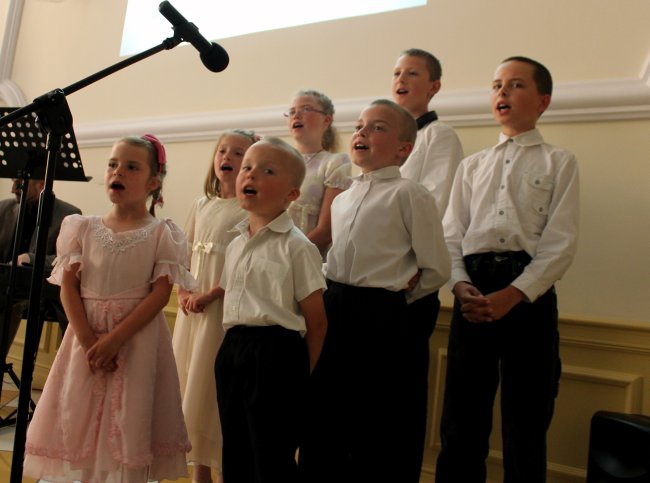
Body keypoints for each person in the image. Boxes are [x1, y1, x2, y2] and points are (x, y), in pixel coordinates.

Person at [435, 56, 580, 483]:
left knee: (527, 418)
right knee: (462, 417)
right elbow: (450, 235)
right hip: (473, 294)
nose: (501, 92)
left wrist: (513, 294)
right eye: (496, 85)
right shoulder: (472, 166)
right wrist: (460, 286)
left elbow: (561, 244)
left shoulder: (560, 162)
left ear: (542, 101)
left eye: (515, 85)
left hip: (527, 295)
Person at [23, 134, 196, 482]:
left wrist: (114, 339)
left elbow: (159, 296)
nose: (119, 172)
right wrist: (89, 340)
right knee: (80, 412)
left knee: (128, 415)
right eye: (113, 164)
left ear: (152, 181)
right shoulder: (81, 228)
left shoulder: (163, 233)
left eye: (132, 167)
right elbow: (68, 287)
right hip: (85, 338)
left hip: (136, 341)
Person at [299, 99, 450, 483]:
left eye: (378, 127)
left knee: (380, 419)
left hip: (385, 315)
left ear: (404, 148)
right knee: (330, 412)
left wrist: (398, 302)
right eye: (361, 125)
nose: (363, 132)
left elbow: (435, 268)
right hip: (337, 307)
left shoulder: (409, 194)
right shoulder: (345, 197)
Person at [214, 137, 328, 483]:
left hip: (277, 354)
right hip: (233, 347)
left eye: (267, 171)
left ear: (292, 194)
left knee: (270, 454)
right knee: (235, 448)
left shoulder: (297, 247)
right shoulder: (235, 244)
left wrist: (299, 374)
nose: (251, 175)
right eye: (247, 167)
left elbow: (317, 323)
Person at [392, 47, 465, 472]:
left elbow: (435, 207)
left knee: (402, 394)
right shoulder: (384, 139)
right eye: (397, 72)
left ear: (433, 87)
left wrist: (406, 265)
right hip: (375, 285)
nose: (401, 78)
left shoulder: (440, 137)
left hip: (410, 282)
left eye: (412, 73)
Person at [172, 129, 257, 483]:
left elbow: (242, 265)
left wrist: (210, 294)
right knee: (188, 384)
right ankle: (199, 472)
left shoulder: (248, 208)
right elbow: (183, 253)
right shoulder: (201, 204)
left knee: (212, 390)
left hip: (219, 311)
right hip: (191, 310)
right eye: (223, 150)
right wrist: (182, 291)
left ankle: (224, 470)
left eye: (239, 153)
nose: (227, 156)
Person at [0, 172, 81, 359]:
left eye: (20, 183)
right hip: (6, 282)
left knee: (9, 300)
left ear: (41, 184)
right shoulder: (4, 207)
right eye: (13, 182)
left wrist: (29, 257)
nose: (13, 189)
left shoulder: (68, 214)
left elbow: (63, 259)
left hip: (42, 288)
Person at [285, 89, 351, 256]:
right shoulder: (281, 161)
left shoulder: (335, 163)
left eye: (305, 109)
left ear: (326, 120)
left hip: (305, 259)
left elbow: (326, 230)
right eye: (292, 111)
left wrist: (289, 255)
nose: (296, 115)